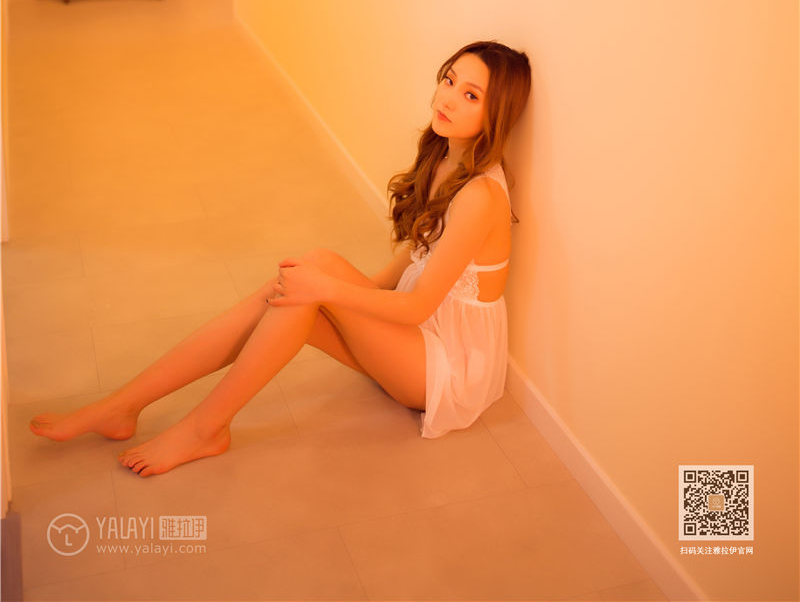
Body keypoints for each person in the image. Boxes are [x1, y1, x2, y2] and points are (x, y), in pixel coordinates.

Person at [30, 40, 531, 476]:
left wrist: (327, 291)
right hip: (416, 341)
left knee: (312, 284)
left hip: (446, 370)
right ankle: (125, 406)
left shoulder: (480, 196)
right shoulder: (443, 157)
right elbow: (398, 274)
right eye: (450, 80)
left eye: (471, 95)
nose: (448, 97)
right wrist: (321, 286)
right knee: (303, 279)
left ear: (497, 116)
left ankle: (201, 428)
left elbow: (418, 306)